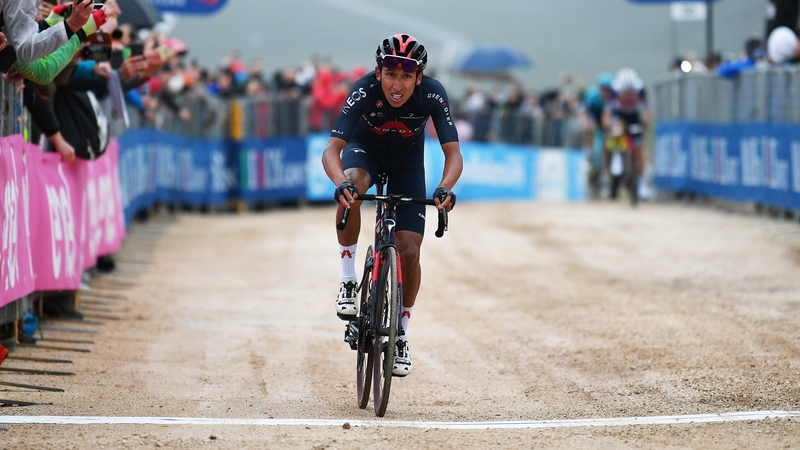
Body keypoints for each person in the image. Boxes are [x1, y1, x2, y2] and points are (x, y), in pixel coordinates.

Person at [321, 33, 463, 377]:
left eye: (406, 76)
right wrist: (340, 182)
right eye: (389, 74)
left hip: (407, 163)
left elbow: (453, 153)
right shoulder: (365, 88)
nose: (396, 85)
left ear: (419, 77)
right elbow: (331, 150)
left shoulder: (433, 93)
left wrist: (444, 188)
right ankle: (348, 279)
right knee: (354, 185)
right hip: (363, 150)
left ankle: (401, 334)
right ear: (378, 72)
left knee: (410, 252)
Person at [603, 67, 649, 204]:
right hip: (619, 116)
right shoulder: (614, 89)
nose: (628, 94)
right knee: (612, 139)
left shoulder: (640, 88)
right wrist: (608, 125)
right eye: (625, 92)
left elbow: (647, 111)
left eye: (630, 92)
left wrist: (645, 125)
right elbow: (607, 113)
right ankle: (613, 166)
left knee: (638, 149)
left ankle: (641, 182)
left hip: (634, 116)